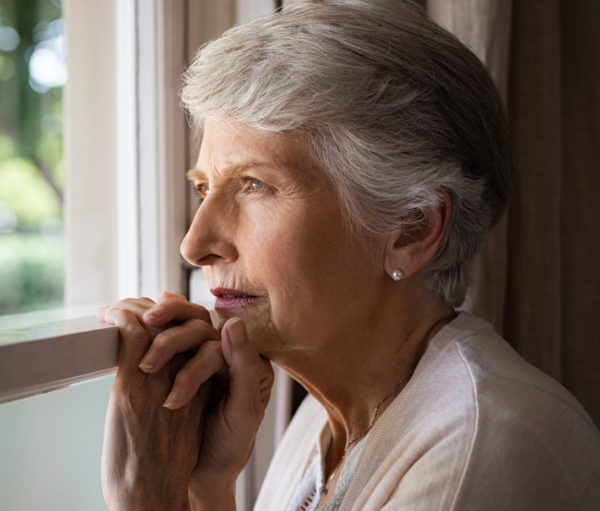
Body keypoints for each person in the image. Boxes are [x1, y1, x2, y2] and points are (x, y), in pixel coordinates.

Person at [99, 1, 600, 510]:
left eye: (254, 185)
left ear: (412, 228)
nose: (194, 244)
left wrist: (147, 499)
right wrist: (207, 486)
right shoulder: (323, 419)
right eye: (204, 189)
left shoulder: (482, 445)